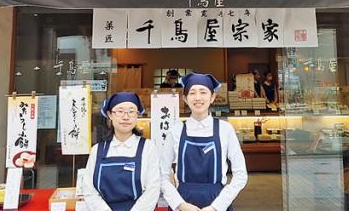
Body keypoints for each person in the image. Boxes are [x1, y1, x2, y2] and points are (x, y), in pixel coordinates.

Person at [161, 73, 248, 211]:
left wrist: (216, 207)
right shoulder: (176, 131)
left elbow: (241, 174)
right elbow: (162, 174)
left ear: (212, 97)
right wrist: (180, 204)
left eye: (203, 92)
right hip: (183, 202)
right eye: (192, 93)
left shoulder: (225, 129)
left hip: (217, 201)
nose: (198, 98)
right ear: (185, 98)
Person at [84, 92, 160, 211]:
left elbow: (153, 189)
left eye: (131, 111)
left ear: (137, 115)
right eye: (120, 111)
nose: (126, 117)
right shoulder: (97, 150)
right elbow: (89, 190)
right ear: (110, 114)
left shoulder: (148, 147)